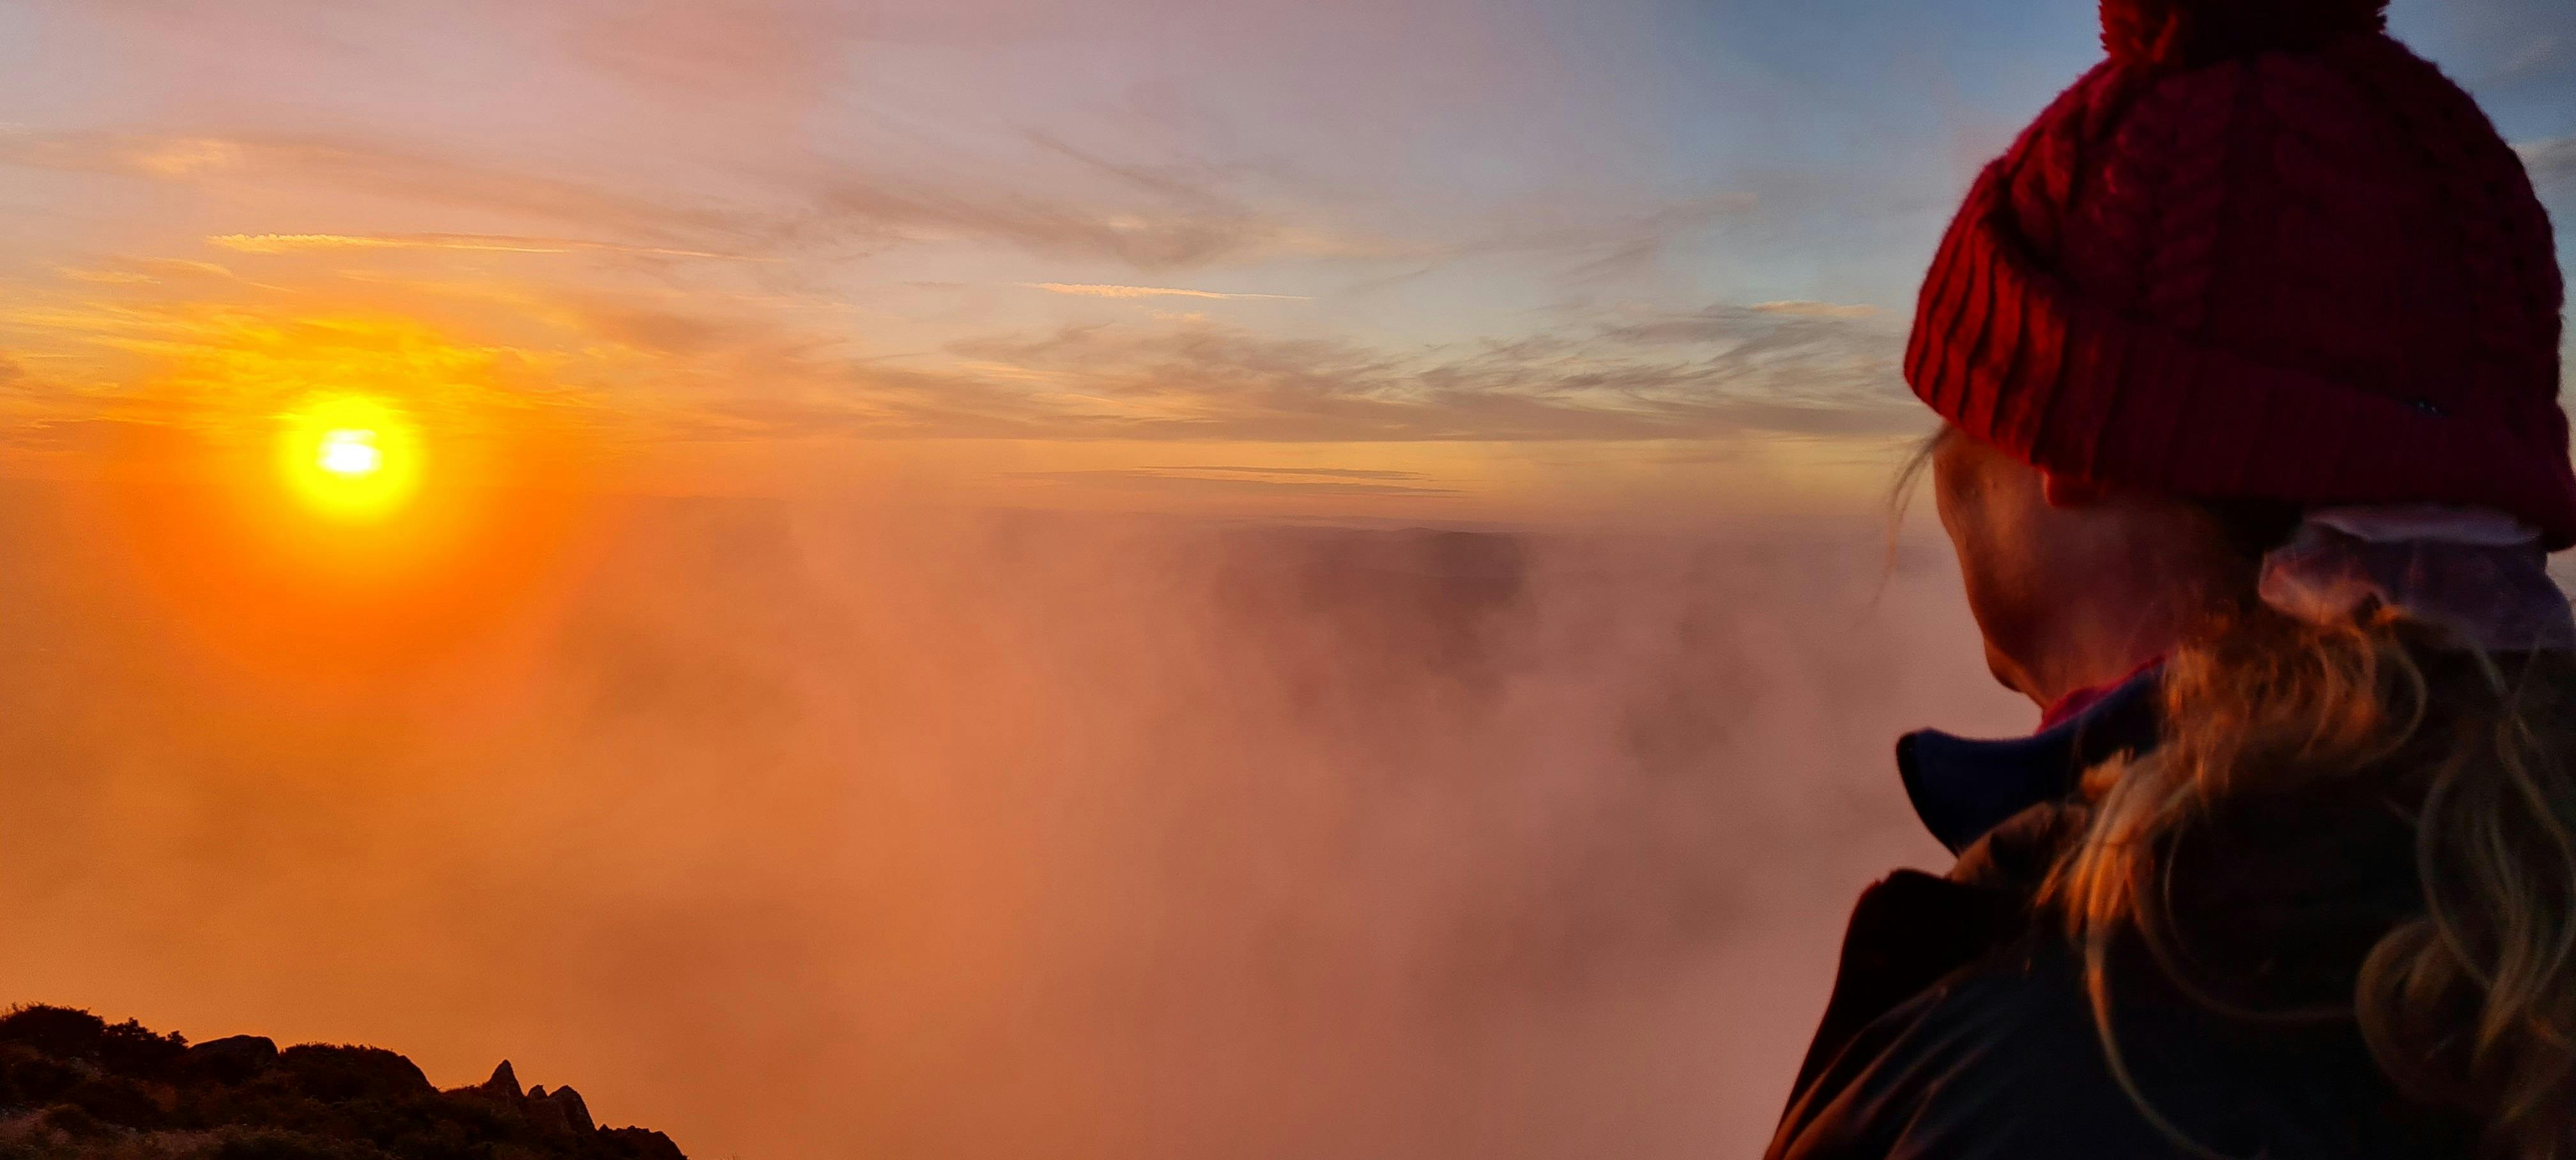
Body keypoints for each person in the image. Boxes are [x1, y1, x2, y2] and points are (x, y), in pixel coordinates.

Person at [1766, 1, 2576, 1157]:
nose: (1942, 483)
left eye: (1962, 417)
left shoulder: (2053, 1082)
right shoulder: (2508, 904)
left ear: (2073, 454)